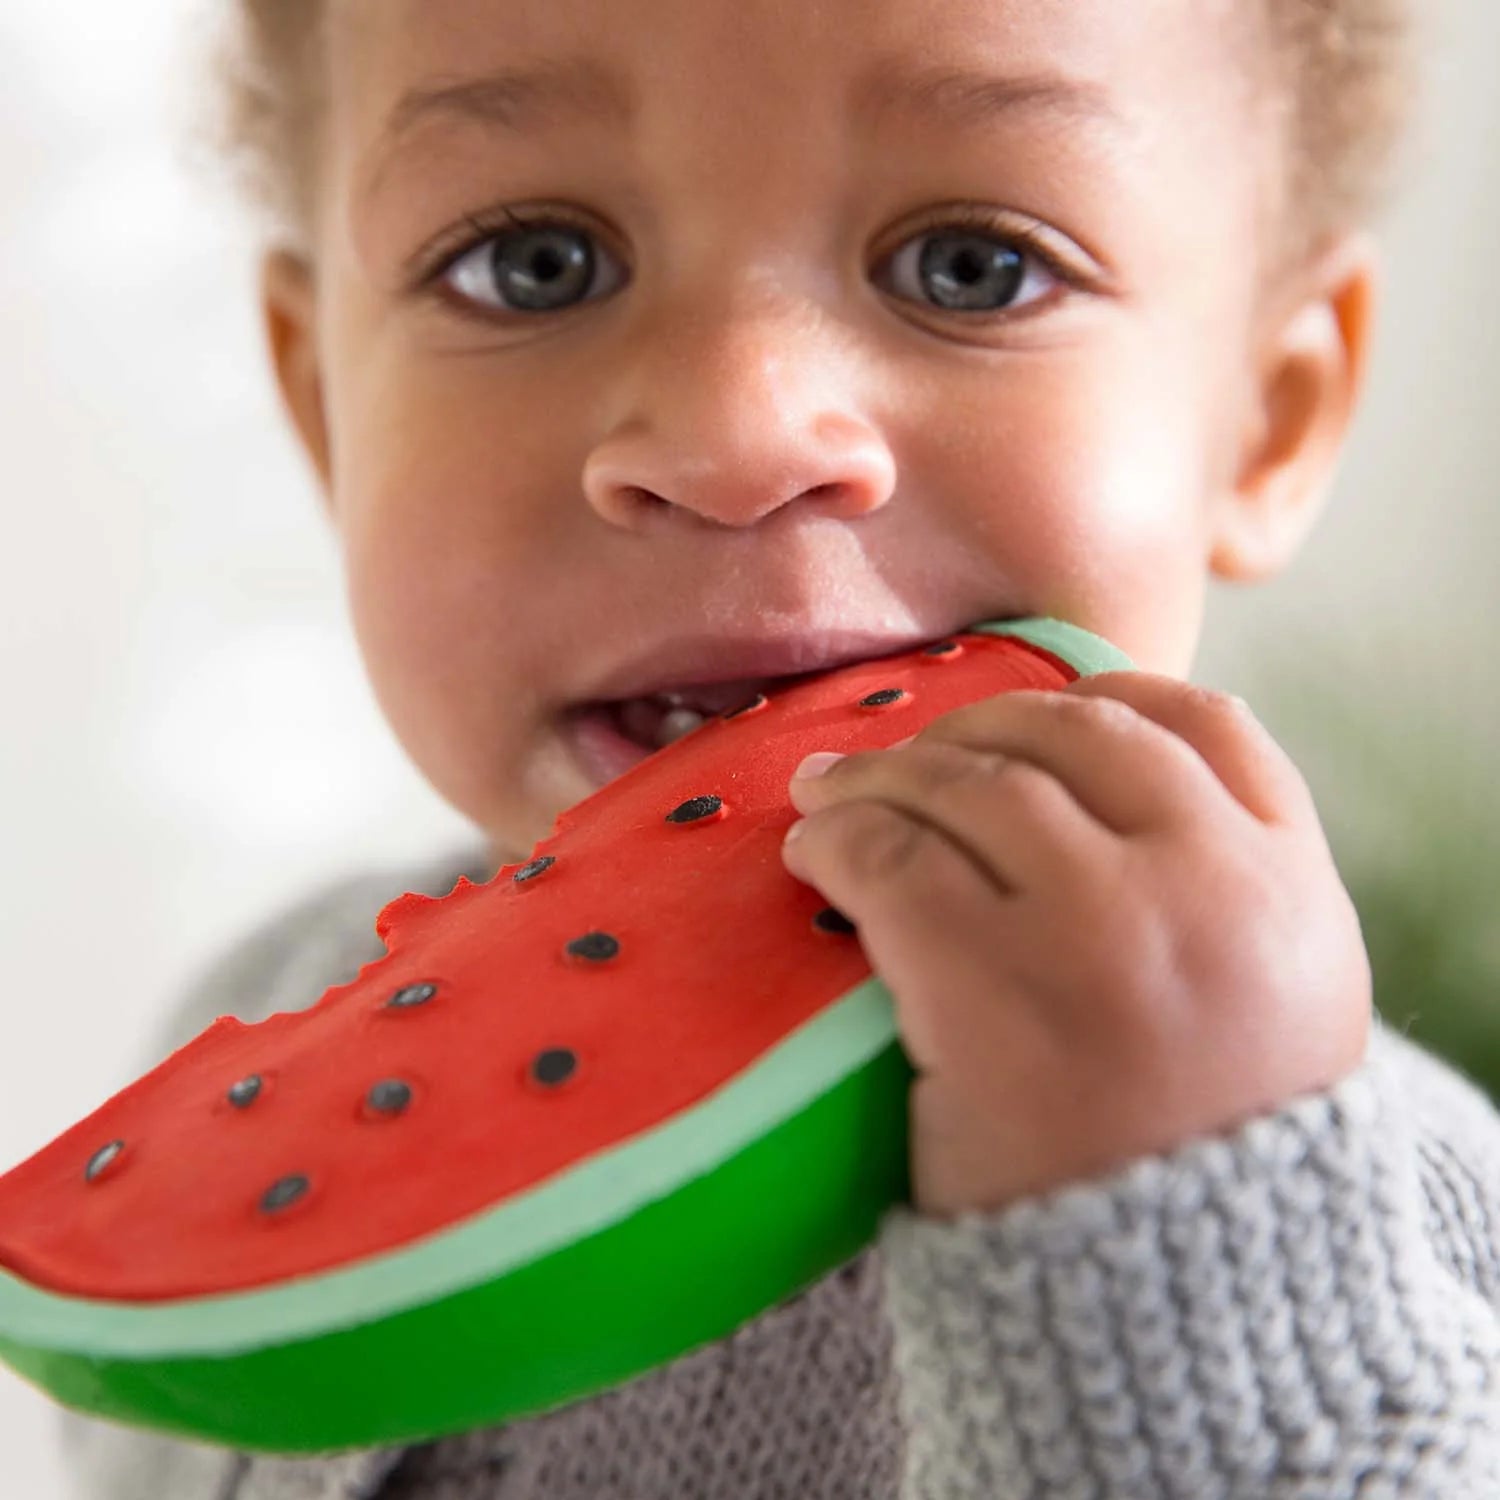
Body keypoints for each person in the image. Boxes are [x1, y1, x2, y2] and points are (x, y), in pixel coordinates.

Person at [57, 1, 1500, 1496]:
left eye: (972, 268)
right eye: (534, 265)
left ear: (1268, 417)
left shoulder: (1391, 1217)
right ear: (324, 411)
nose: (736, 438)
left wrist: (1180, 1259)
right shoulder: (257, 1025)